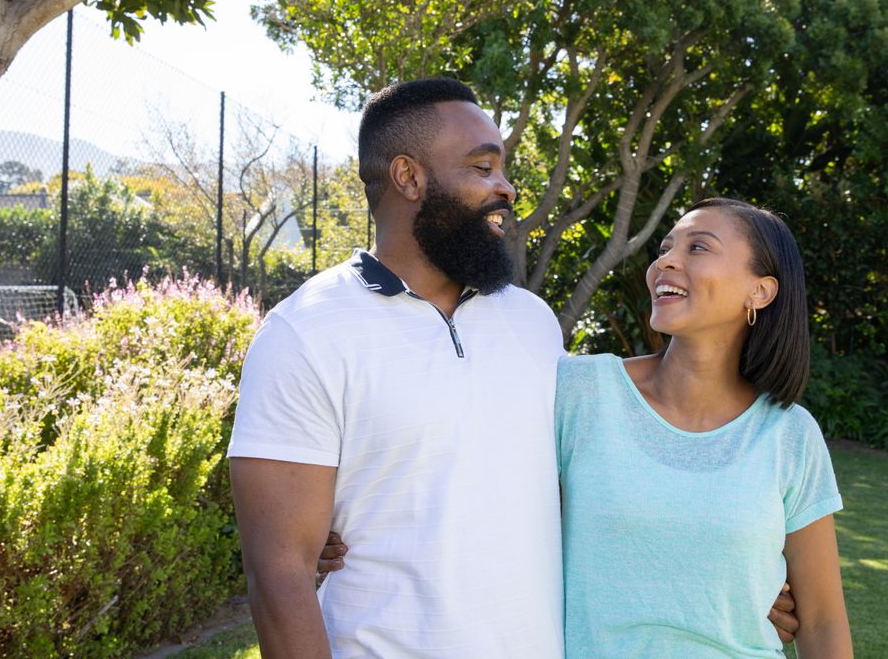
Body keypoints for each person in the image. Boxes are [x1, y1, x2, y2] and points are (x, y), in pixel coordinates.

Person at [229, 79, 797, 658]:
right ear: (409, 177)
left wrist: (730, 572)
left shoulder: (531, 322)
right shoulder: (305, 332)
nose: (506, 187)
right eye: (482, 167)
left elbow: (585, 489)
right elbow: (280, 574)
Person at [555, 197, 851, 656]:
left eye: (698, 248)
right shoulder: (578, 392)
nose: (665, 261)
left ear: (760, 292)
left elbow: (822, 621)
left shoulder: (791, 435)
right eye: (666, 248)